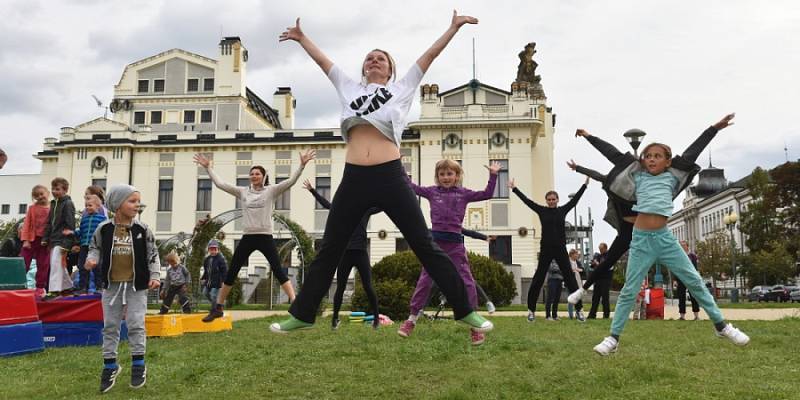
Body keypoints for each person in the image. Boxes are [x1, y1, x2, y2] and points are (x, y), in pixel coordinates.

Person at [271, 11, 492, 335]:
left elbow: (429, 56)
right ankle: (303, 313)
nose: (375, 61)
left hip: (390, 176)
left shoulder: (401, 88)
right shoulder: (349, 87)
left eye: (381, 59)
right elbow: (324, 64)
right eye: (370, 58)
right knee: (331, 247)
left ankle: (465, 310)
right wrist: (303, 39)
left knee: (424, 245)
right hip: (354, 178)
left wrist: (453, 28)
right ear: (364, 68)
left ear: (390, 70)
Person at [591, 114, 750, 356]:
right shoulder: (638, 174)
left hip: (665, 239)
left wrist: (714, 128)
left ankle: (721, 325)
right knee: (629, 289)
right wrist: (588, 136)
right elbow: (613, 154)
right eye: (648, 156)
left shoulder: (673, 176)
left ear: (667, 161)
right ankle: (613, 338)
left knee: (695, 281)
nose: (651, 159)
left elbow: (692, 152)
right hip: (642, 239)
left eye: (657, 156)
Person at [194, 150, 315, 322]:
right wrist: (208, 168)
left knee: (279, 271)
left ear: (264, 176)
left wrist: (302, 165)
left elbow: (291, 182)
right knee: (231, 273)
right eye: (251, 174)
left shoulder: (271, 191)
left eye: (257, 173)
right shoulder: (243, 192)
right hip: (248, 237)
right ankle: (218, 308)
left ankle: (296, 305)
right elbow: (221, 184)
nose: (253, 176)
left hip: (265, 236)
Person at [397, 160, 499, 345]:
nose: (446, 178)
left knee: (466, 282)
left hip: (455, 246)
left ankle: (475, 327)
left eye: (450, 174)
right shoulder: (431, 192)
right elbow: (410, 186)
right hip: (434, 244)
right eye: (442, 174)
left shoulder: (464, 194)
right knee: (425, 281)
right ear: (437, 176)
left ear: (457, 176)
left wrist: (493, 176)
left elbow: (487, 194)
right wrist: (399, 168)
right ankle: (411, 320)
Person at [85, 184, 161, 392]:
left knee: (136, 323)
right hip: (111, 286)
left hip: (136, 286)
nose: (137, 205)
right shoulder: (104, 229)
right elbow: (95, 247)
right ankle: (110, 365)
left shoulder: (142, 230)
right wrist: (92, 259)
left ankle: (138, 364)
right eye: (132, 201)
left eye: (138, 201)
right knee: (110, 325)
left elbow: (153, 254)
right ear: (118, 204)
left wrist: (155, 275)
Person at [508, 176, 589, 322]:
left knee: (571, 279)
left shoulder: (562, 210)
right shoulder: (541, 210)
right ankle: (531, 311)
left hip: (560, 249)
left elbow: (575, 200)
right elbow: (527, 202)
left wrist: (585, 185)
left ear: (557, 200)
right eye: (549, 199)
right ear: (546, 200)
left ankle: (579, 311)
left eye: (554, 199)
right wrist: (514, 189)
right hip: (545, 248)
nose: (551, 201)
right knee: (538, 278)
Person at [302, 179, 381, 330]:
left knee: (368, 286)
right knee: (340, 287)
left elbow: (382, 205)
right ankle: (335, 319)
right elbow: (326, 204)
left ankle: (376, 319)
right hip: (345, 254)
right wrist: (312, 190)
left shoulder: (366, 210)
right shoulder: (341, 210)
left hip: (361, 254)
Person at [41, 177, 77, 294]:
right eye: (53, 189)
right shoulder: (53, 204)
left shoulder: (68, 204)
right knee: (58, 263)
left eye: (57, 189)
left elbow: (70, 224)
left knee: (56, 263)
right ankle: (67, 285)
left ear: (65, 190)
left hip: (62, 240)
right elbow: (49, 222)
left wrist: (67, 243)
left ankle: (54, 290)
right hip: (53, 239)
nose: (54, 191)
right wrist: (46, 238)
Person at [74, 195, 107, 293]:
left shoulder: (102, 219)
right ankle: (83, 287)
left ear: (98, 206)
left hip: (96, 247)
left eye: (90, 205)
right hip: (84, 245)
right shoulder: (84, 219)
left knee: (97, 267)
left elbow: (105, 232)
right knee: (82, 266)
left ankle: (99, 287)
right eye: (86, 206)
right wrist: (74, 233)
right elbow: (81, 232)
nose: (87, 207)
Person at [676, 240, 701, 321]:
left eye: (684, 245)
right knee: (681, 297)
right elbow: (675, 269)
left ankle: (696, 315)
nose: (682, 246)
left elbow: (695, 268)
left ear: (687, 246)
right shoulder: (678, 256)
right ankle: (682, 316)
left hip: (691, 279)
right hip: (681, 278)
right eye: (681, 245)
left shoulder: (692, 256)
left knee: (693, 296)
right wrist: (675, 279)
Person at [587, 243, 612, 319]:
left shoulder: (609, 256)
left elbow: (606, 266)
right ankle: (592, 314)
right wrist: (593, 263)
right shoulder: (598, 256)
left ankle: (606, 315)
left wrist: (597, 264)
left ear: (605, 248)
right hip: (597, 279)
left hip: (605, 279)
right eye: (599, 249)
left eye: (601, 249)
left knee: (605, 298)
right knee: (595, 298)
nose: (600, 251)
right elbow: (593, 266)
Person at [200, 240, 227, 311]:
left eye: (215, 249)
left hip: (217, 281)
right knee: (205, 293)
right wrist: (203, 278)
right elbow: (206, 271)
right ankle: (218, 304)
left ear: (217, 249)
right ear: (209, 250)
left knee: (213, 295)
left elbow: (224, 271)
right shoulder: (207, 259)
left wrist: (223, 281)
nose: (213, 251)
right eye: (211, 249)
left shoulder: (220, 259)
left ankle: (214, 309)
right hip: (209, 281)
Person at [566, 248, 584, 319]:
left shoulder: (577, 262)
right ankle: (571, 315)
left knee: (578, 299)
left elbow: (582, 269)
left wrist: (579, 270)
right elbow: (567, 271)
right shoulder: (568, 262)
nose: (577, 255)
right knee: (571, 299)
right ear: (572, 254)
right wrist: (574, 270)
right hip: (570, 283)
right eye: (576, 254)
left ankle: (578, 314)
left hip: (578, 282)